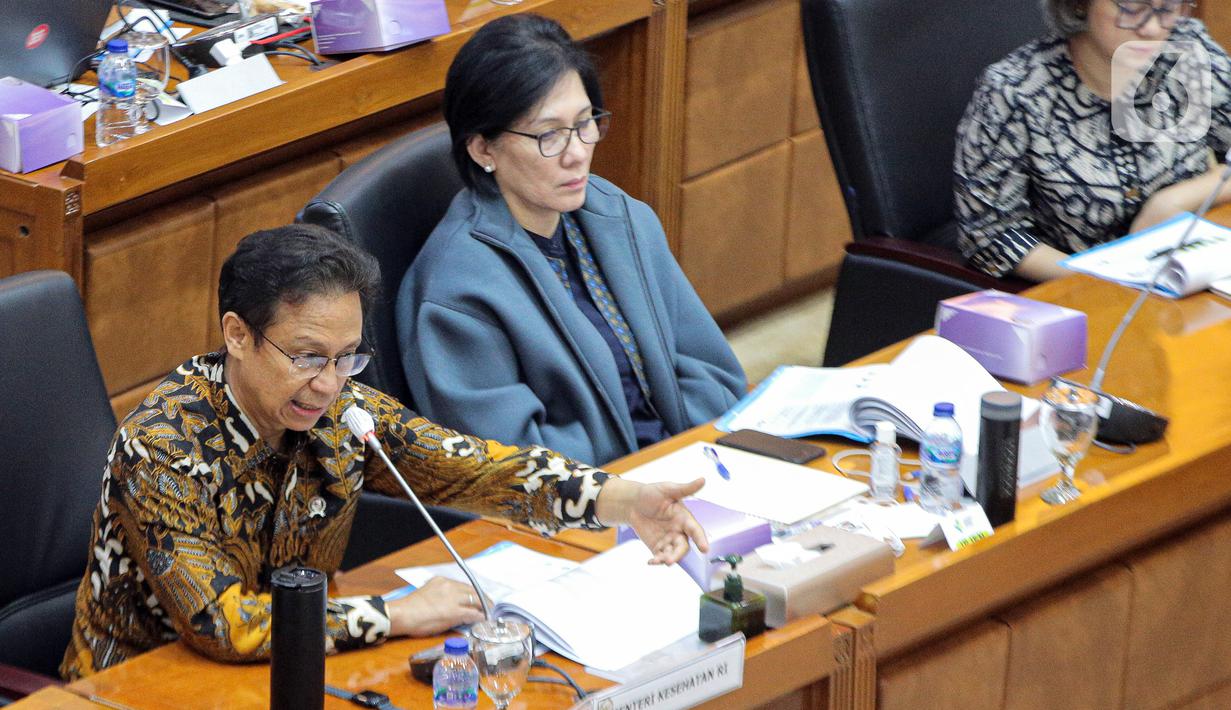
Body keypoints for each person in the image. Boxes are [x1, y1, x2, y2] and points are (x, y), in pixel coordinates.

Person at [61, 224, 709, 679]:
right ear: (238, 334)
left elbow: (471, 466)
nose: (329, 382)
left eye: (347, 358)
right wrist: (394, 615)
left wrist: (618, 497)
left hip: (296, 673)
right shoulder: (162, 449)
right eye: (308, 356)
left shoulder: (342, 413)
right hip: (142, 690)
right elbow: (225, 626)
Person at [396, 14, 746, 466]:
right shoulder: (456, 292)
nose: (577, 152)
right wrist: (632, 480)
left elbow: (712, 371)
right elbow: (511, 464)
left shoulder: (620, 217)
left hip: (688, 468)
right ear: (483, 149)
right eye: (549, 135)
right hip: (585, 508)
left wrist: (685, 455)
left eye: (585, 124)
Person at [955, 0, 1231, 281]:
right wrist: (1105, 281)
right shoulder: (1014, 91)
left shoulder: (1187, 49)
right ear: (1079, 5)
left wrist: (1175, 200)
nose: (1151, 28)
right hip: (1080, 296)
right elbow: (990, 237)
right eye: (1132, 8)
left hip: (1193, 274)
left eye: (1168, 8)